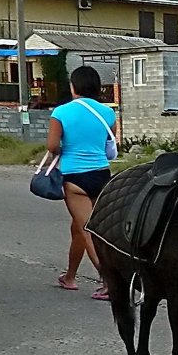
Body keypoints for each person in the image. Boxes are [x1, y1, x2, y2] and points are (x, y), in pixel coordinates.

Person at [46, 65, 117, 301]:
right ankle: (70, 276)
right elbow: (110, 143)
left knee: (87, 229)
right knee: (80, 226)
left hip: (75, 177)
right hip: (102, 175)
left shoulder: (61, 112)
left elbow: (52, 146)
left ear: (73, 86)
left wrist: (67, 148)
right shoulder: (108, 113)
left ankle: (109, 281)